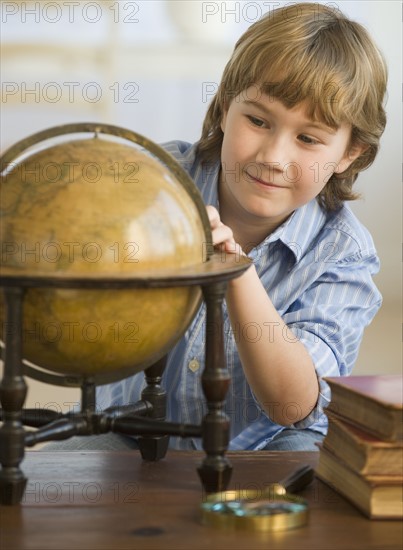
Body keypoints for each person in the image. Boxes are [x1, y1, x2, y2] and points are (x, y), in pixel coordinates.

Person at [45, 2, 388, 452]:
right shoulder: (153, 180)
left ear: (349, 154)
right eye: (257, 120)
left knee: (305, 467)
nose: (273, 156)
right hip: (130, 433)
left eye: (308, 138)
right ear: (226, 108)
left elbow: (292, 406)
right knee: (54, 479)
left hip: (264, 446)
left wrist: (236, 271)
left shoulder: (343, 253)